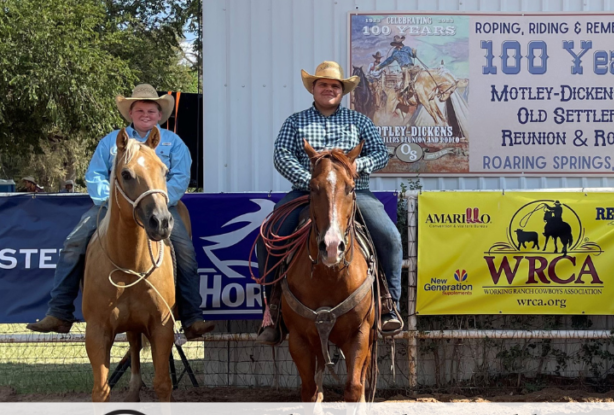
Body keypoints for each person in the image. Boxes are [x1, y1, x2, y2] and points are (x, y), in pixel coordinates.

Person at [27, 84, 215, 340]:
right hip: (113, 206)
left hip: (159, 207)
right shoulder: (111, 142)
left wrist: (158, 199)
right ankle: (59, 311)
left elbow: (180, 177)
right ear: (131, 113)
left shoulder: (174, 143)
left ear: (160, 115)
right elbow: (94, 173)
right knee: (74, 243)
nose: (146, 114)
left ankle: (192, 318)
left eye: (151, 110)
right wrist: (111, 200)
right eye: (140, 110)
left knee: (185, 252)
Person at [255, 61, 402, 345]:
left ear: (342, 91)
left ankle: (388, 304)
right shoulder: (295, 122)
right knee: (269, 238)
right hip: (305, 194)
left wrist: (356, 167)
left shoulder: (359, 122)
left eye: (335, 86)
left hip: (351, 194)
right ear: (313, 89)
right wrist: (312, 180)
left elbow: (381, 154)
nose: (329, 89)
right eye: (323, 84)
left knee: (390, 237)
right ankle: (272, 308)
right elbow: (282, 155)